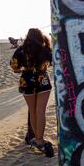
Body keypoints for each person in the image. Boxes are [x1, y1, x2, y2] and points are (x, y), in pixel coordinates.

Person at [10, 28, 54, 157]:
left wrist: (25, 68)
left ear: (27, 36)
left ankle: (37, 139)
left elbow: (14, 68)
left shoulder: (21, 50)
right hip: (43, 80)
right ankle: (40, 138)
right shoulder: (45, 48)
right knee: (41, 111)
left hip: (27, 81)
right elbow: (53, 61)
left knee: (33, 111)